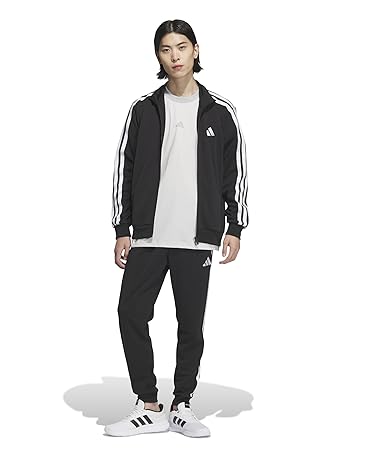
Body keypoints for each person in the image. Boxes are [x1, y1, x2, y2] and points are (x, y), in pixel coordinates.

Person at [105, 19, 249, 438]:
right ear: (158, 56)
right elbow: (124, 169)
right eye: (166, 49)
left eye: (181, 47)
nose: (175, 56)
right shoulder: (143, 109)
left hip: (196, 237)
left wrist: (235, 225)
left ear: (195, 50)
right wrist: (122, 228)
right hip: (148, 234)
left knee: (190, 324)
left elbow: (235, 172)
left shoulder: (220, 111)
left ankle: (182, 404)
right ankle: (148, 404)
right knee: (131, 312)